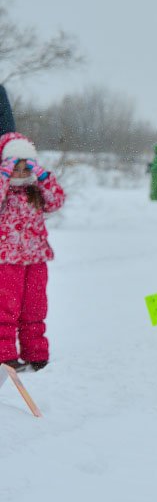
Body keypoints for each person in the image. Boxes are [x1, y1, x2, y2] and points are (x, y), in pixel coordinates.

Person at [0, 133, 66, 372]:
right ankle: (5, 355)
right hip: (7, 260)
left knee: (35, 309)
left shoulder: (34, 191)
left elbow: (57, 200)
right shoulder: (5, 192)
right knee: (6, 308)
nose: (20, 173)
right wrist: (4, 176)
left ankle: (36, 354)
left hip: (36, 259)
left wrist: (42, 176)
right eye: (14, 168)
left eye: (24, 167)